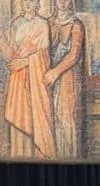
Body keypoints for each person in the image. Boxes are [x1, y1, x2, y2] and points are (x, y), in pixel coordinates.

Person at [0, 0, 56, 159]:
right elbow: (11, 55)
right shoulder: (15, 24)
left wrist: (25, 62)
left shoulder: (42, 24)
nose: (27, 3)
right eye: (24, 0)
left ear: (37, 3)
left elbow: (45, 57)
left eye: (31, 1)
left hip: (36, 80)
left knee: (36, 121)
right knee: (19, 119)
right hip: (17, 80)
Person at [46, 0, 85, 158]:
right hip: (47, 77)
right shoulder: (48, 23)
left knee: (66, 118)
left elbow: (74, 55)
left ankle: (68, 159)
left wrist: (56, 72)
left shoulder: (76, 25)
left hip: (67, 79)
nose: (62, 2)